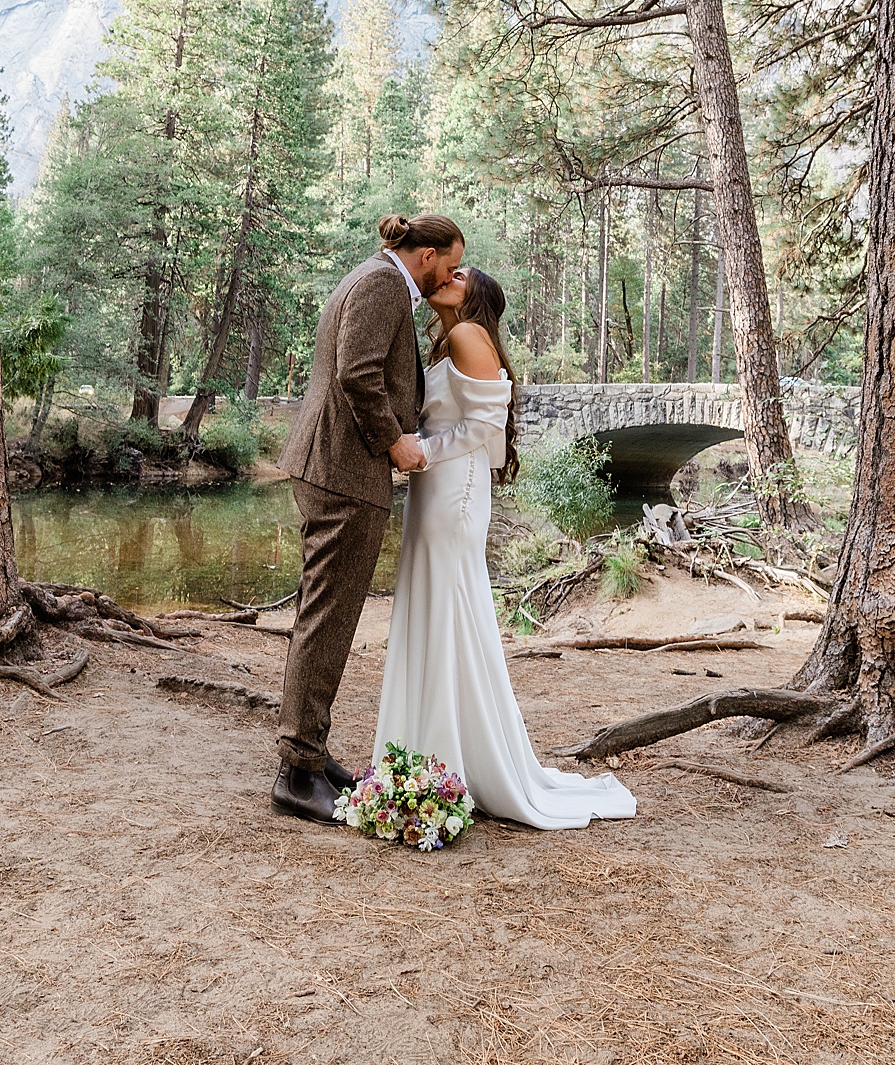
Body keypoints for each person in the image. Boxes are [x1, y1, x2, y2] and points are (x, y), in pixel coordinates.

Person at [376, 265, 635, 829]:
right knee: (433, 604)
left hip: (453, 487)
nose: (447, 275)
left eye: (461, 274)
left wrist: (423, 449)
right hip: (434, 484)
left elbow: (488, 429)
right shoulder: (444, 338)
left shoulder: (469, 335)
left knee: (449, 607)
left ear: (478, 296)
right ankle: (426, 756)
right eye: (447, 269)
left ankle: (450, 762)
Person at [271, 212, 463, 822]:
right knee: (327, 616)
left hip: (336, 468)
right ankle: (297, 772)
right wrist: (395, 443)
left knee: (325, 611)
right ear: (426, 254)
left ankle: (310, 750)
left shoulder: (380, 281)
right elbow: (357, 374)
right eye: (451, 264)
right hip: (342, 471)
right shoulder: (383, 284)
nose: (453, 276)